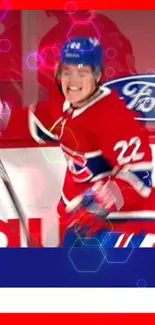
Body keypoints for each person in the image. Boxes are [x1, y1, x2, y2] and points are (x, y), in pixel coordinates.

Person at [0, 37, 154, 247]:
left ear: (97, 75)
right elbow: (30, 122)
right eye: (67, 72)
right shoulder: (62, 107)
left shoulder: (113, 117)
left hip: (127, 226)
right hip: (81, 225)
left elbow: (139, 176)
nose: (73, 81)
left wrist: (96, 204)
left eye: (82, 73)